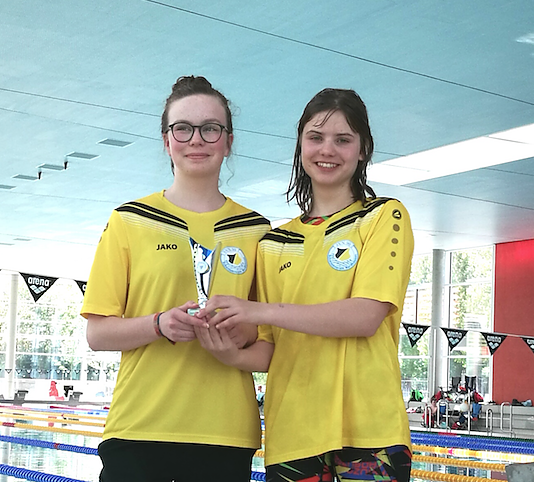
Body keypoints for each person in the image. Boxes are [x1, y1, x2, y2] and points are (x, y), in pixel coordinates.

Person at [196, 88, 414, 482]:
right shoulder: (274, 243)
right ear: (300, 145)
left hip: (370, 430)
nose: (327, 150)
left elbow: (365, 316)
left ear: (363, 149)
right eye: (316, 137)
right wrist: (231, 355)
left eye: (343, 139)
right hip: (292, 432)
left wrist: (258, 310)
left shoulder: (383, 217)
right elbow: (271, 348)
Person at [81, 75, 271, 482]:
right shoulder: (129, 221)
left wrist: (238, 333)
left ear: (228, 141)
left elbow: (269, 339)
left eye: (210, 128)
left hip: (224, 432)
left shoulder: (256, 231)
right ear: (167, 141)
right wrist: (159, 324)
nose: (196, 139)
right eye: (183, 128)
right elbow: (97, 334)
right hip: (139, 428)